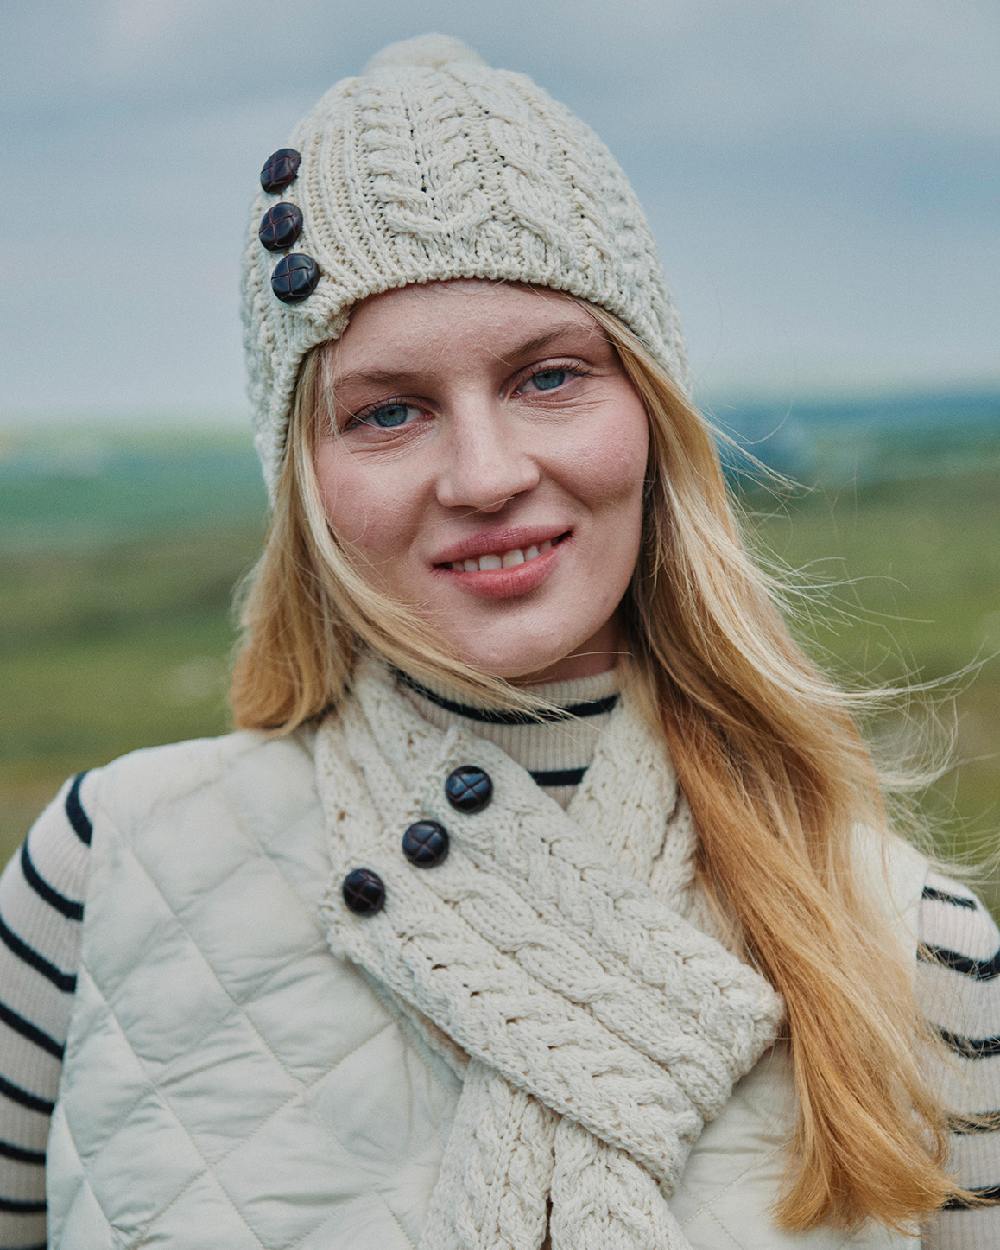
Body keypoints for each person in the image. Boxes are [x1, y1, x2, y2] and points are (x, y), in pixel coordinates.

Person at [0, 33, 997, 1250]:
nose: (483, 474)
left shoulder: (913, 945)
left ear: (649, 411)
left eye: (547, 378)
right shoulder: (103, 872)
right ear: (303, 478)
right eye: (388, 410)